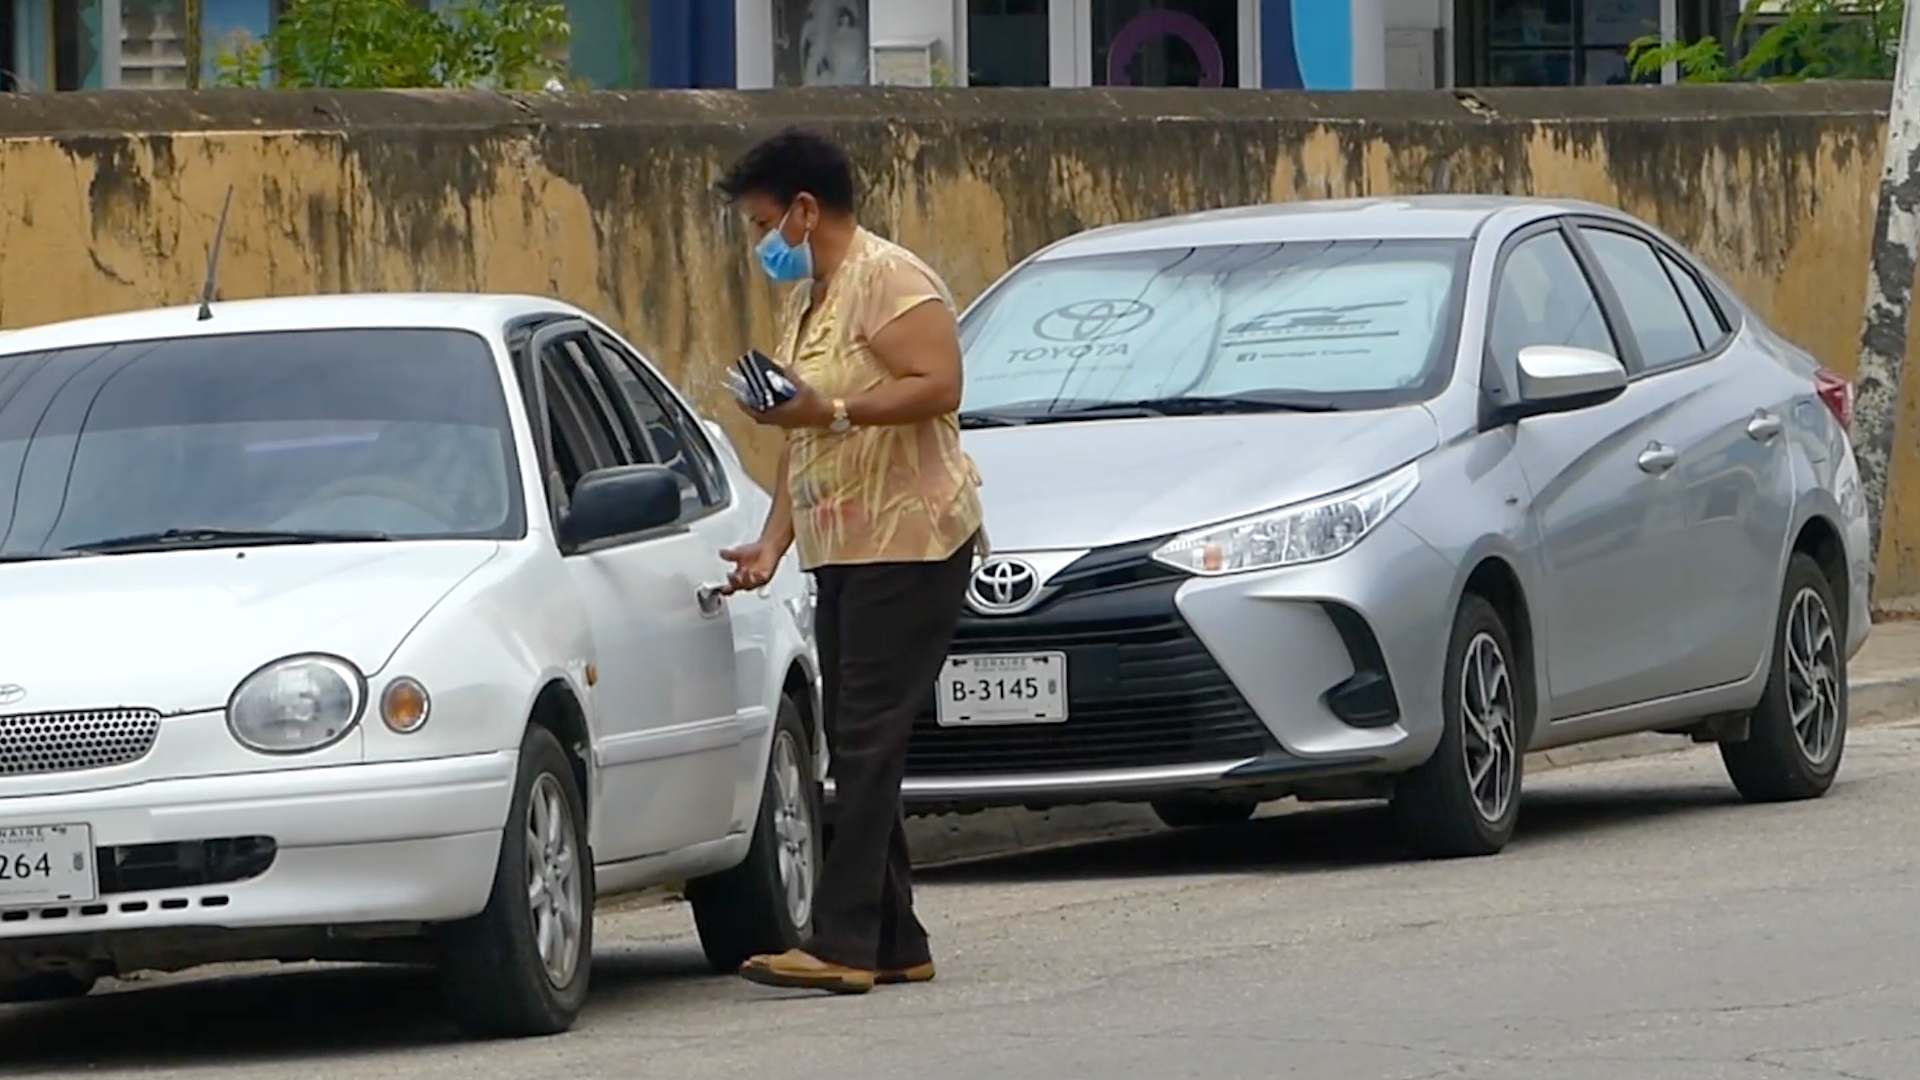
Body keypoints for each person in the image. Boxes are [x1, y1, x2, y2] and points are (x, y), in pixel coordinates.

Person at [715, 127, 984, 995]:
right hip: (846, 545)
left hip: (911, 542)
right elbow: (808, 442)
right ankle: (897, 938)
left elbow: (938, 383)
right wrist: (772, 538)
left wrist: (830, 406)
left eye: (764, 223)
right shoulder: (810, 300)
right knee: (864, 737)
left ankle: (842, 941)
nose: (762, 245)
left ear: (804, 209)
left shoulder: (889, 278)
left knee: (865, 741)